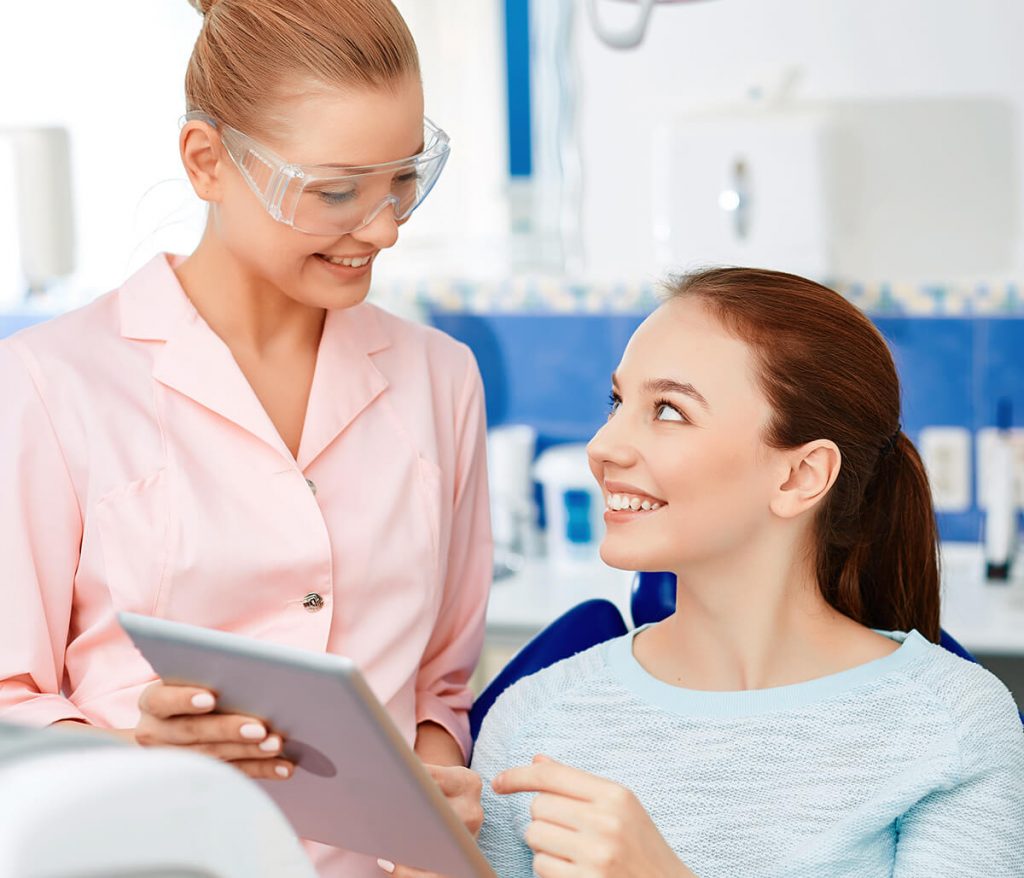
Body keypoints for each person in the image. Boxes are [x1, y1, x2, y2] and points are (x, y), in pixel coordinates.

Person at [0, 1, 491, 875]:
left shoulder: (439, 378)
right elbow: (8, 703)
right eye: (337, 190)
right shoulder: (50, 383)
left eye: (403, 180)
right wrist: (135, 756)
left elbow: (441, 691)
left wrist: (432, 791)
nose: (382, 228)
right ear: (207, 161)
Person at [470, 267, 1024, 878]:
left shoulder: (955, 727)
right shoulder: (532, 721)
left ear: (799, 476)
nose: (602, 446)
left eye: (670, 411)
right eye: (618, 402)